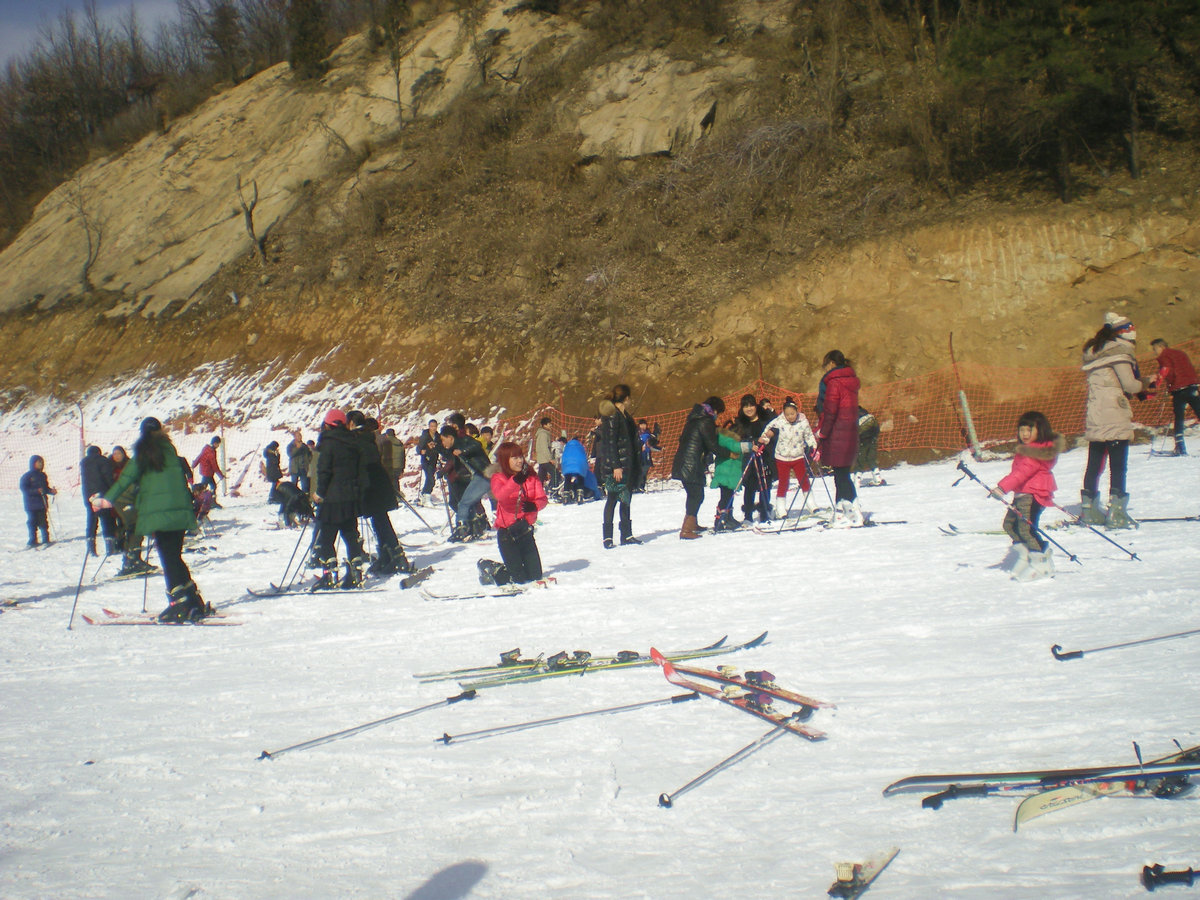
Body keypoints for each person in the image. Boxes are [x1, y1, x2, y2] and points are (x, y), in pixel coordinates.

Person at [90, 417, 208, 622]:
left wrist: (106, 500)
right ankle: (191, 598)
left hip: (160, 514)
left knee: (168, 557)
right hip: (180, 513)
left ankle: (178, 603)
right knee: (175, 555)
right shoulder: (171, 453)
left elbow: (125, 479)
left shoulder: (142, 456)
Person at [1081, 313, 1148, 529]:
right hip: (1114, 413)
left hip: (1095, 412)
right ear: (1123, 330)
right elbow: (1130, 385)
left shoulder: (1094, 351)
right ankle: (1117, 513)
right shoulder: (1119, 352)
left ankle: (1089, 510)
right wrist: (1146, 382)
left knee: (1094, 463)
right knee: (1118, 466)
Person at [990, 411, 1065, 581]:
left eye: (1029, 430)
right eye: (1021, 430)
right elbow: (1019, 473)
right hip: (1022, 494)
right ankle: (1026, 555)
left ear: (1041, 431)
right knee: (1010, 525)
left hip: (1032, 495)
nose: (1024, 434)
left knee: (1026, 528)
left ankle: (1041, 561)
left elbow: (1022, 473)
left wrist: (1002, 487)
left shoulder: (1036, 452)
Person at [348, 411, 412, 575]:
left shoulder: (356, 440)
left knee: (380, 522)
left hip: (370, 485)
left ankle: (397, 557)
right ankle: (388, 556)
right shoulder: (368, 437)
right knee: (380, 521)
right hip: (378, 483)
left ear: (351, 424)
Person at [311, 408, 370, 589]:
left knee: (326, 537)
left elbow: (324, 471)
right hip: (350, 497)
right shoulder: (352, 441)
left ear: (328, 425)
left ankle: (329, 573)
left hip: (332, 498)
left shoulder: (327, 443)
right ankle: (355, 571)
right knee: (350, 534)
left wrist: (319, 493)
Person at [477, 441, 549, 586]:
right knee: (518, 579)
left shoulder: (531, 476)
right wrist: (515, 481)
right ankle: (489, 568)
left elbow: (542, 499)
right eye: (514, 458)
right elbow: (500, 496)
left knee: (535, 575)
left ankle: (512, 567)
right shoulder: (498, 477)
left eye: (520, 457)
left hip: (525, 530)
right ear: (505, 460)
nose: (519, 461)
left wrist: (534, 505)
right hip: (507, 534)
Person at [817, 350, 864, 527]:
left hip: (837, 432)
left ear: (831, 364)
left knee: (841, 474)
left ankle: (852, 513)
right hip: (850, 431)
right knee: (842, 474)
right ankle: (844, 511)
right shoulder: (851, 381)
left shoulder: (834, 383)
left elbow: (830, 411)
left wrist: (823, 432)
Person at [671, 396, 724, 539]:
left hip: (684, 463)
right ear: (715, 410)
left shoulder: (693, 419)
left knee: (694, 495)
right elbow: (712, 444)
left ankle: (692, 523)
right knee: (697, 495)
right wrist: (728, 453)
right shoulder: (705, 421)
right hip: (691, 465)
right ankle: (686, 530)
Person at [596, 384, 641, 548]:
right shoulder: (613, 415)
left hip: (627, 463)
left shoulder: (625, 415)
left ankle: (627, 534)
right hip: (616, 466)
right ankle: (607, 537)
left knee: (626, 498)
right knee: (613, 498)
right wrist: (616, 465)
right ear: (626, 398)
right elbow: (610, 442)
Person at [758, 397, 817, 519]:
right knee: (783, 482)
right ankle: (780, 509)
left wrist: (813, 446)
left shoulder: (803, 421)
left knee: (804, 480)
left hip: (798, 456)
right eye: (787, 414)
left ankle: (811, 504)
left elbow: (809, 435)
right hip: (782, 457)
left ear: (797, 412)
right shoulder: (779, 421)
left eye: (792, 414)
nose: (790, 417)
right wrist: (765, 439)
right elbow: (768, 430)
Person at [439, 420, 491, 542]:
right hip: (479, 475)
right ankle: (476, 528)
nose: (443, 443)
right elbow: (448, 456)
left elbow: (477, 445)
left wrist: (463, 451)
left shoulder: (463, 440)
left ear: (450, 438)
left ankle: (462, 529)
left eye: (443, 440)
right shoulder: (455, 445)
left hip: (484, 473)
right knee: (468, 503)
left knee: (464, 503)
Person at [1151, 338, 1200, 456]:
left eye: (1155, 349)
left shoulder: (1164, 356)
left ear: (1161, 347)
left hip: (1179, 389)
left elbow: (1166, 369)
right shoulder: (1181, 353)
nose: (1154, 352)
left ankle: (1180, 447)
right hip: (1192, 386)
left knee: (1179, 418)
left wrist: (1156, 384)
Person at [735, 394, 772, 523]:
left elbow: (773, 432)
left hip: (764, 456)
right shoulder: (740, 422)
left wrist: (765, 439)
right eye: (745, 406)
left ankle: (765, 511)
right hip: (749, 458)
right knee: (750, 486)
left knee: (765, 485)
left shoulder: (765, 418)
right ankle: (748, 515)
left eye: (751, 405)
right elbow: (738, 440)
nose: (749, 409)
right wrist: (752, 443)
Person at [711, 418, 746, 532]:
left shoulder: (725, 440)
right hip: (726, 477)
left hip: (728, 477)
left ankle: (728, 517)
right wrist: (750, 446)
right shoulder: (729, 441)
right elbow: (736, 447)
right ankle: (720, 520)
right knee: (725, 498)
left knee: (729, 497)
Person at [81, 445, 116, 556]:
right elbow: (108, 477)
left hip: (89, 496)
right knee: (106, 520)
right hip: (102, 494)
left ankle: (91, 547)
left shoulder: (84, 463)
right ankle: (110, 548)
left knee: (91, 521)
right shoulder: (103, 461)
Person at [20, 455, 56, 547]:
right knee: (32, 522)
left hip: (41, 503)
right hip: (31, 504)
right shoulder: (27, 476)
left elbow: (45, 488)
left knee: (43, 522)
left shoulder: (43, 475)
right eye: (38, 462)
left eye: (41, 462)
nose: (40, 464)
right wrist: (36, 491)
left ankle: (45, 539)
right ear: (33, 463)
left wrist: (51, 491)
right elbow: (24, 489)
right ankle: (32, 540)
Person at [855, 406, 884, 486]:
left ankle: (856, 482)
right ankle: (878, 478)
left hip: (862, 439)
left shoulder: (850, 414)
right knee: (871, 458)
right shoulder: (865, 412)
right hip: (872, 437)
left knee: (860, 460)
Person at [559, 435, 591, 503]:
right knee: (580, 478)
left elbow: (564, 457)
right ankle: (580, 496)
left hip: (567, 464)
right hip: (578, 464)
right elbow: (583, 457)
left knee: (567, 478)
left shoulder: (567, 446)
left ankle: (566, 496)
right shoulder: (580, 447)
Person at [192, 436, 224, 502]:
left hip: (205, 472)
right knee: (204, 487)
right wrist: (220, 475)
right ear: (214, 443)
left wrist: (194, 464)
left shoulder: (206, 448)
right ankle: (200, 500)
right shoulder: (211, 452)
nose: (218, 445)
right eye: (218, 444)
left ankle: (210, 501)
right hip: (208, 473)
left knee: (212, 486)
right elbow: (214, 465)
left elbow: (199, 457)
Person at [377, 427, 406, 496]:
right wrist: (402, 469)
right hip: (398, 466)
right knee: (395, 481)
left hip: (389, 466)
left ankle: (393, 496)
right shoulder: (399, 443)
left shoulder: (385, 442)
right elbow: (403, 456)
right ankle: (397, 496)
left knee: (387, 482)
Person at [417, 419, 440, 505]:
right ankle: (426, 495)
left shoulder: (438, 436)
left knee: (430, 478)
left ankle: (424, 494)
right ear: (429, 427)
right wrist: (421, 451)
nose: (433, 428)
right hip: (426, 459)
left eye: (435, 426)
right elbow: (419, 448)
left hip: (434, 459)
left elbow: (440, 447)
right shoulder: (425, 436)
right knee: (430, 478)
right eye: (432, 426)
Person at [533, 417, 556, 486]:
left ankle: (538, 491)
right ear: (544, 425)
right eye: (549, 424)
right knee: (556, 474)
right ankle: (552, 490)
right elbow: (544, 447)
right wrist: (550, 459)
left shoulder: (543, 433)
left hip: (542, 459)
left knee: (541, 478)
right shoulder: (543, 434)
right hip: (545, 459)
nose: (551, 425)